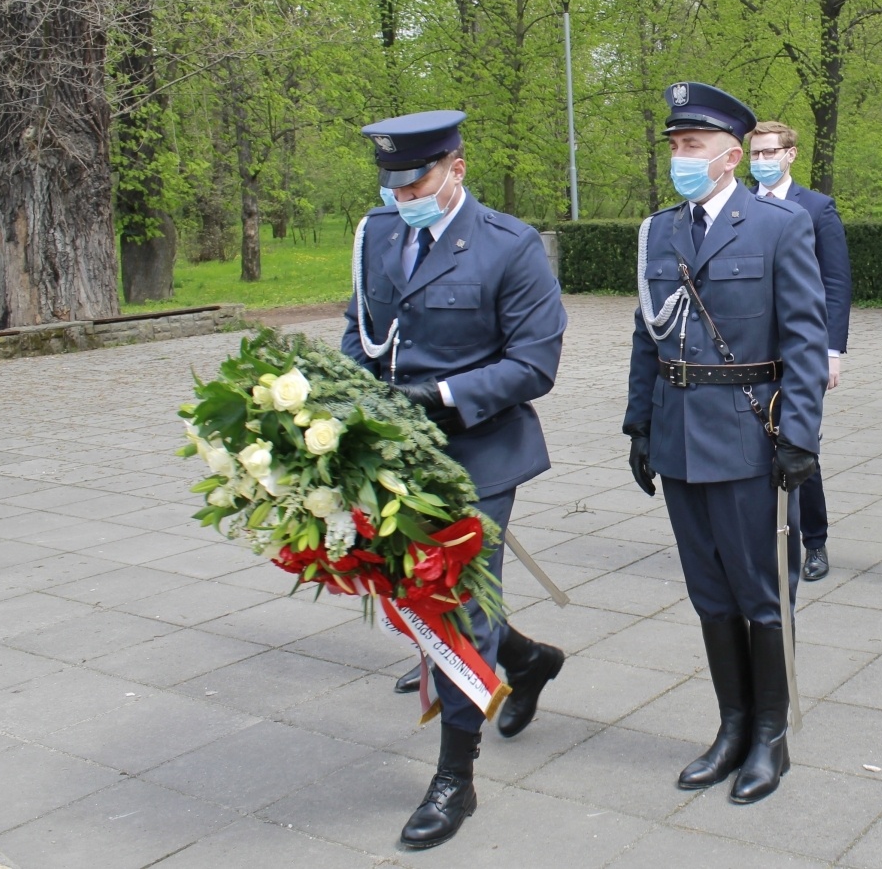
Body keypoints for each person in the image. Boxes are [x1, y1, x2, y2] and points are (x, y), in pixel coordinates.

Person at [341, 109, 568, 849]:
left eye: (418, 179)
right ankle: (529, 660)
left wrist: (438, 396)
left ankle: (454, 779)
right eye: (392, 182)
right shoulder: (377, 235)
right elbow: (362, 328)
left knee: (460, 603)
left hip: (478, 451)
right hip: (394, 451)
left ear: (456, 169)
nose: (402, 194)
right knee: (408, 584)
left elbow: (533, 363)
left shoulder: (509, 245)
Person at [624, 82, 828, 804]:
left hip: (747, 433)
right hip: (679, 436)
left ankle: (771, 735)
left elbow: (805, 338)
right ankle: (732, 724)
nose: (682, 157)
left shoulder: (775, 226)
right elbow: (648, 335)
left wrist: (799, 433)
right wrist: (639, 423)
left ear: (732, 154)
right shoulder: (661, 230)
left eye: (694, 145)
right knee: (709, 591)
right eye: (676, 145)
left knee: (761, 592)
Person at [748, 120, 850, 581]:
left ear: (791, 154)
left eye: (771, 153)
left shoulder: (816, 208)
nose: (763, 161)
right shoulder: (741, 206)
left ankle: (815, 543)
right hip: (751, 355)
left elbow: (835, 284)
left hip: (802, 352)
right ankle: (760, 538)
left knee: (800, 444)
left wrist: (831, 353)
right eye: (756, 154)